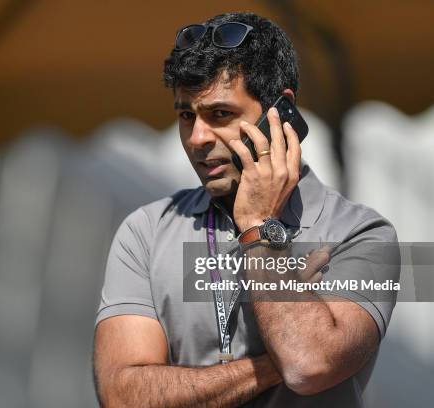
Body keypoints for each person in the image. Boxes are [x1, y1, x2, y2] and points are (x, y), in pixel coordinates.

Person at [93, 12, 399, 407]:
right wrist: (271, 365)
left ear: (280, 112)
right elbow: (121, 396)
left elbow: (308, 364)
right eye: (186, 115)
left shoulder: (367, 235)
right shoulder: (145, 231)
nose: (197, 138)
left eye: (220, 114)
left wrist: (258, 227)